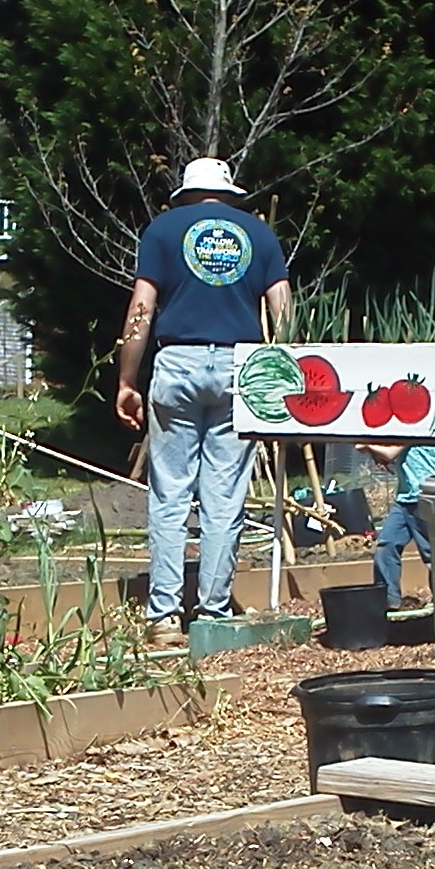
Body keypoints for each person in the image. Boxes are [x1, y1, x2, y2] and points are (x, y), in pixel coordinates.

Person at [115, 157, 291, 646]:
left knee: (170, 494)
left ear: (187, 193)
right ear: (229, 193)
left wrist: (127, 378)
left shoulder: (162, 231)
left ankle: (165, 615)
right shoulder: (258, 234)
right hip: (240, 366)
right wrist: (280, 377)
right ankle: (213, 612)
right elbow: (283, 309)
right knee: (224, 498)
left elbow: (142, 307)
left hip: (178, 363)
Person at [360, 439, 435, 611]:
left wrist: (367, 445)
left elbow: (390, 452)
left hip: (424, 497)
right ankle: (388, 600)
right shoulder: (403, 432)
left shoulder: (417, 428)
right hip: (404, 500)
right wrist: (377, 453)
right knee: (386, 544)